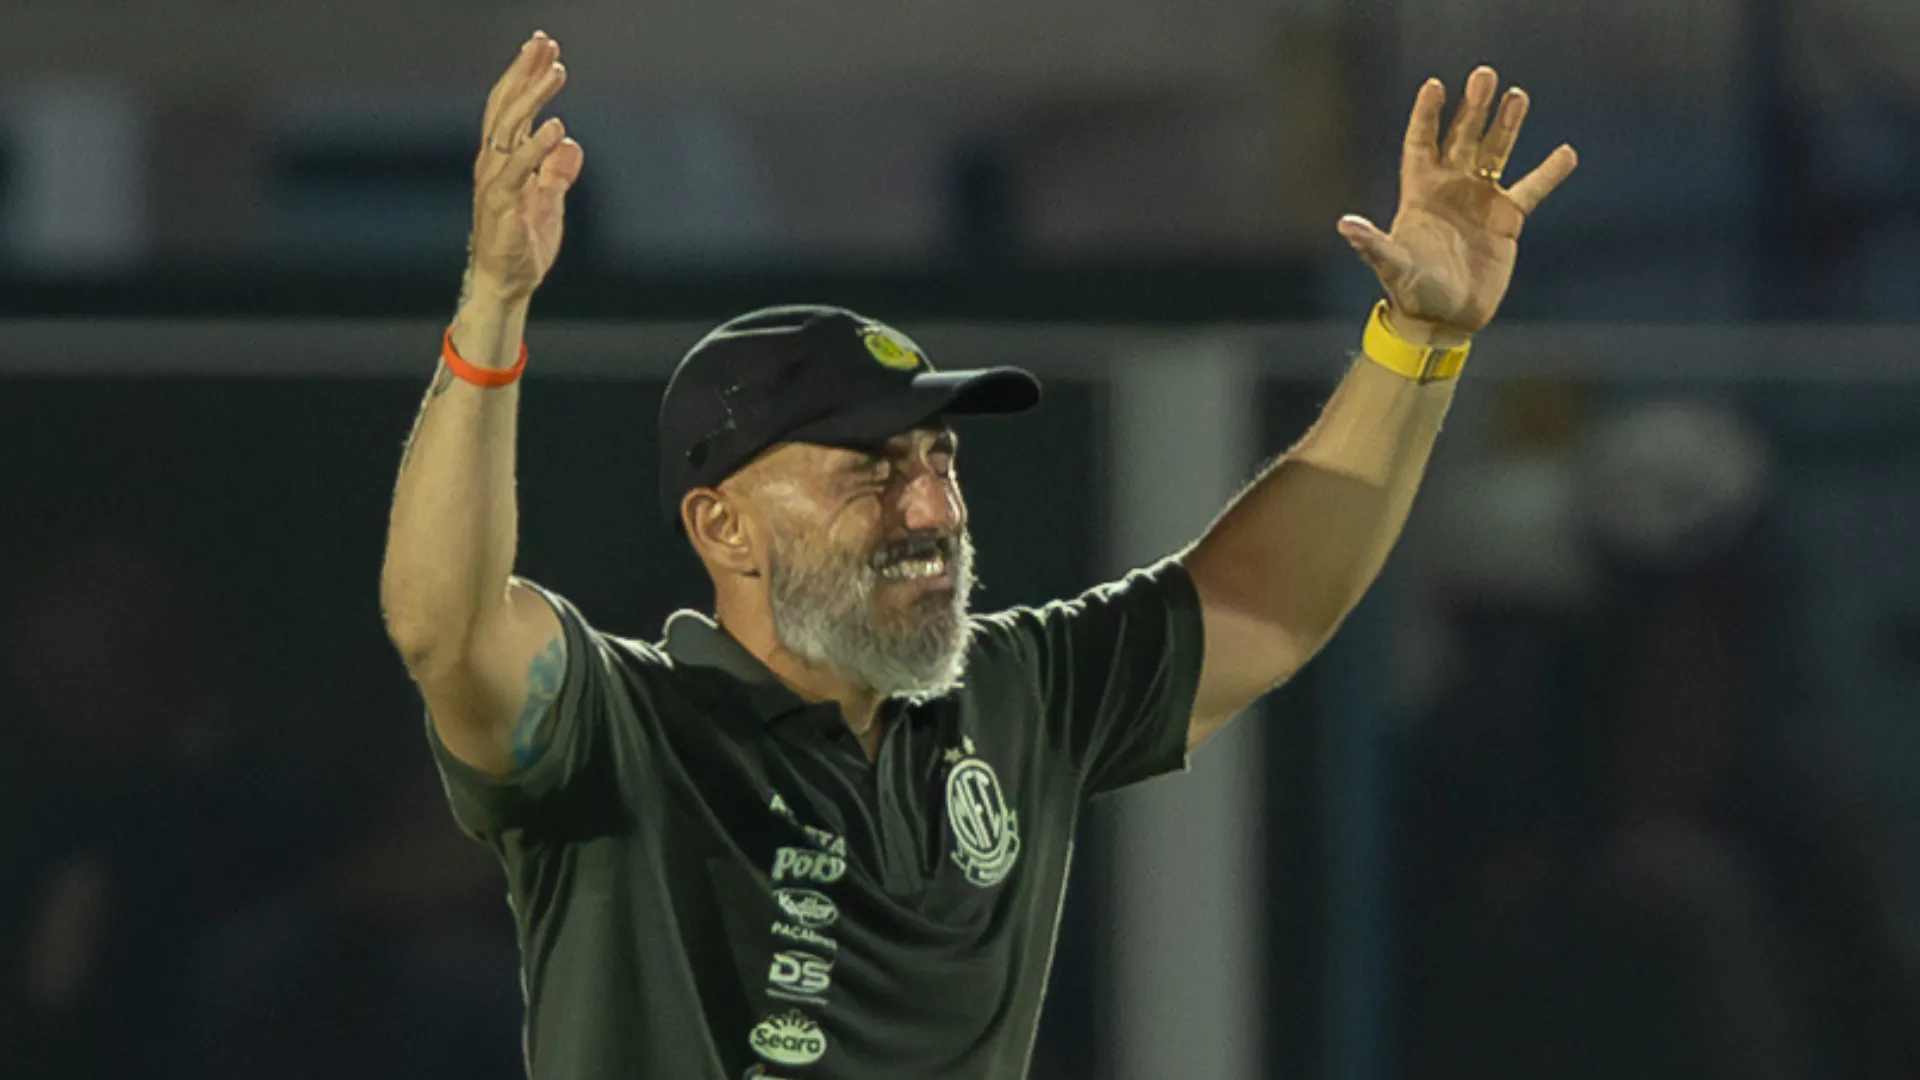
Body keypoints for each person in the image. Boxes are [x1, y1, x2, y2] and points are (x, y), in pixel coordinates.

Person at [378, 30, 1577, 1080]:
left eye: (939, 459)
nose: (929, 507)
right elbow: (446, 626)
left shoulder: (1008, 698)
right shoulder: (624, 730)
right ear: (721, 526)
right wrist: (491, 307)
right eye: (869, 469)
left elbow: (1263, 603)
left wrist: (1418, 339)